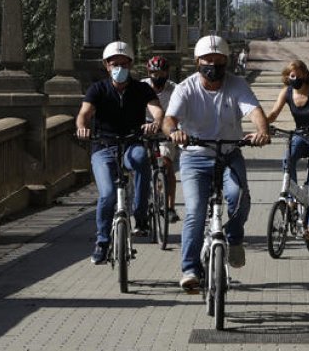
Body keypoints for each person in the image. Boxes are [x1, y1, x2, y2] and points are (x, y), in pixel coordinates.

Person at [164, 35, 271, 290]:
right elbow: (169, 119)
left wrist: (262, 132)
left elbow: (255, 112)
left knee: (238, 197)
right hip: (195, 157)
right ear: (197, 62)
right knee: (195, 211)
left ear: (227, 62)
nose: (213, 66)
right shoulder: (185, 88)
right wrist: (174, 132)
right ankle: (190, 269)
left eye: (219, 61)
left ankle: (234, 239)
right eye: (207, 61)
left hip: (229, 153)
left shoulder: (237, 85)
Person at [75, 41, 163, 265]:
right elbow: (84, 113)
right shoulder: (98, 89)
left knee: (141, 159)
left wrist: (155, 123)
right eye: (115, 64)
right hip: (103, 146)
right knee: (107, 195)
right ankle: (102, 242)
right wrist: (82, 127)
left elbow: (156, 110)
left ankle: (140, 216)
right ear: (106, 65)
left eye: (124, 64)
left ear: (131, 65)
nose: (119, 68)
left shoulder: (142, 89)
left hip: (132, 143)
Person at [265, 59, 309, 240]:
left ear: (304, 74)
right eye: (291, 74)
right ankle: (291, 198)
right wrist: (262, 124)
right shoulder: (287, 92)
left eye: (298, 74)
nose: (295, 77)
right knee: (287, 160)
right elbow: (273, 114)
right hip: (300, 135)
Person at [143, 55, 180, 223]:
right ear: (148, 72)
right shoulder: (141, 87)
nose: (157, 76)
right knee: (139, 164)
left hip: (165, 132)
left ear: (167, 72)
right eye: (153, 72)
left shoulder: (175, 89)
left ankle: (170, 206)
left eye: (161, 72)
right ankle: (141, 202)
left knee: (166, 164)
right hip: (143, 130)